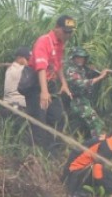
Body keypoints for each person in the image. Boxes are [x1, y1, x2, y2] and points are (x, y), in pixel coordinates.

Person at [25, 15, 75, 154]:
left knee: (58, 118)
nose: (68, 35)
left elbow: (57, 66)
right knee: (39, 121)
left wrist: (64, 84)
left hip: (50, 83)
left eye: (70, 32)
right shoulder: (44, 41)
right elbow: (41, 67)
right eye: (66, 31)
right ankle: (34, 156)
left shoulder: (60, 44)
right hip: (37, 85)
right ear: (57, 28)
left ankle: (52, 152)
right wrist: (44, 92)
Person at [62, 119, 112, 197]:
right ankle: (78, 194)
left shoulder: (106, 139)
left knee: (109, 168)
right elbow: (97, 172)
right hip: (75, 176)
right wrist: (111, 192)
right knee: (103, 170)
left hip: (72, 173)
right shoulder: (107, 147)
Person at [63, 47, 110, 139]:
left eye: (83, 58)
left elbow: (93, 73)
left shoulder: (82, 68)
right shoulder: (71, 70)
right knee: (96, 123)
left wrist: (101, 72)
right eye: (78, 57)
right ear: (73, 58)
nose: (81, 60)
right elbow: (82, 83)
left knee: (80, 126)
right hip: (77, 101)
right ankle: (97, 143)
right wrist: (101, 77)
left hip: (84, 100)